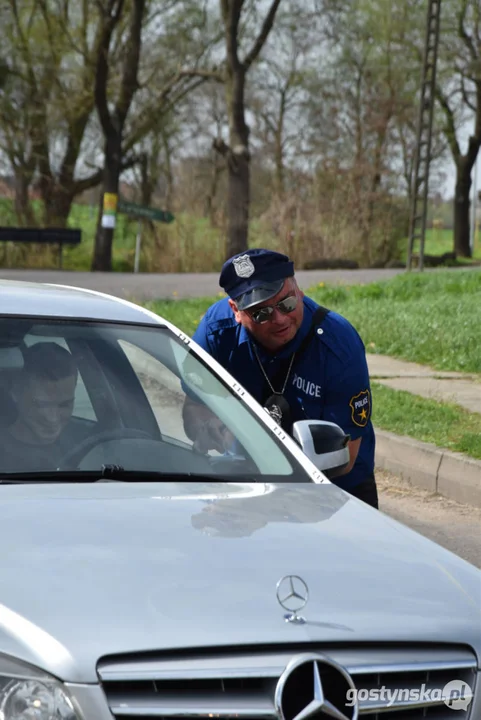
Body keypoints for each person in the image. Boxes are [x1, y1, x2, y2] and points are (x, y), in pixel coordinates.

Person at [182, 248, 378, 508]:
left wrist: (259, 458)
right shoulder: (216, 333)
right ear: (236, 311)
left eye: (287, 303)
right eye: (261, 313)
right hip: (247, 488)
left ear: (299, 290)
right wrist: (221, 434)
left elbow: (345, 457)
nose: (280, 319)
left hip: (335, 493)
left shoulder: (338, 346)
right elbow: (193, 408)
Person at [0, 342, 78, 472]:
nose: (52, 419)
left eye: (65, 405)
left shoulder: (88, 444)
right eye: (42, 405)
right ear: (15, 393)